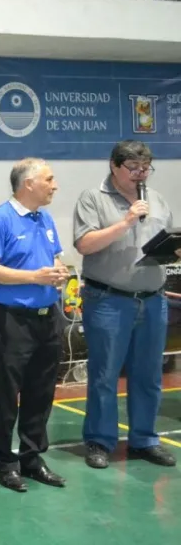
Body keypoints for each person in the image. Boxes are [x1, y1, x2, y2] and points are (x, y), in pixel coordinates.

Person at [72, 140, 178, 469]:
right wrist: (127, 221)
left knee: (148, 375)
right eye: (134, 169)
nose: (140, 175)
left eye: (145, 169)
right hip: (108, 300)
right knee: (105, 375)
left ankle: (144, 439)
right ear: (114, 166)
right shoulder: (93, 198)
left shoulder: (157, 200)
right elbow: (85, 245)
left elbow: (168, 239)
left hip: (153, 301)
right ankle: (100, 441)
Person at [0, 158, 68, 492]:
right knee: (7, 393)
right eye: (49, 179)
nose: (55, 185)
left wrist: (59, 271)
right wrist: (33, 276)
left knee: (41, 392)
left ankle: (32, 458)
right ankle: (4, 461)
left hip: (48, 319)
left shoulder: (45, 218)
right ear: (28, 184)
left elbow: (54, 256)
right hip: (13, 320)